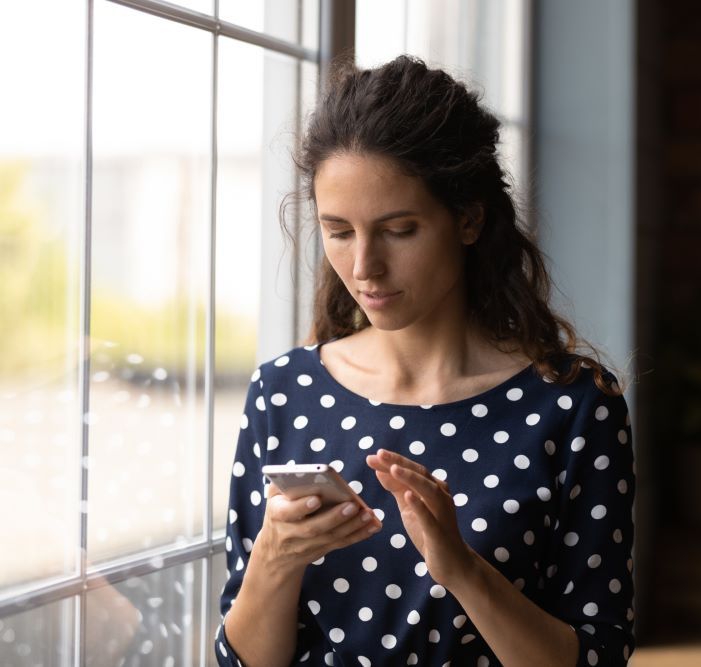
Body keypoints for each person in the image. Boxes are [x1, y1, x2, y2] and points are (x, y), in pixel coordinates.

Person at [214, 54, 635, 667]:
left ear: (468, 218)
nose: (364, 267)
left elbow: (596, 658)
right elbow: (242, 660)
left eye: (399, 230)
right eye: (338, 231)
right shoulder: (284, 392)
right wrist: (274, 559)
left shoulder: (575, 406)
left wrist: (461, 568)